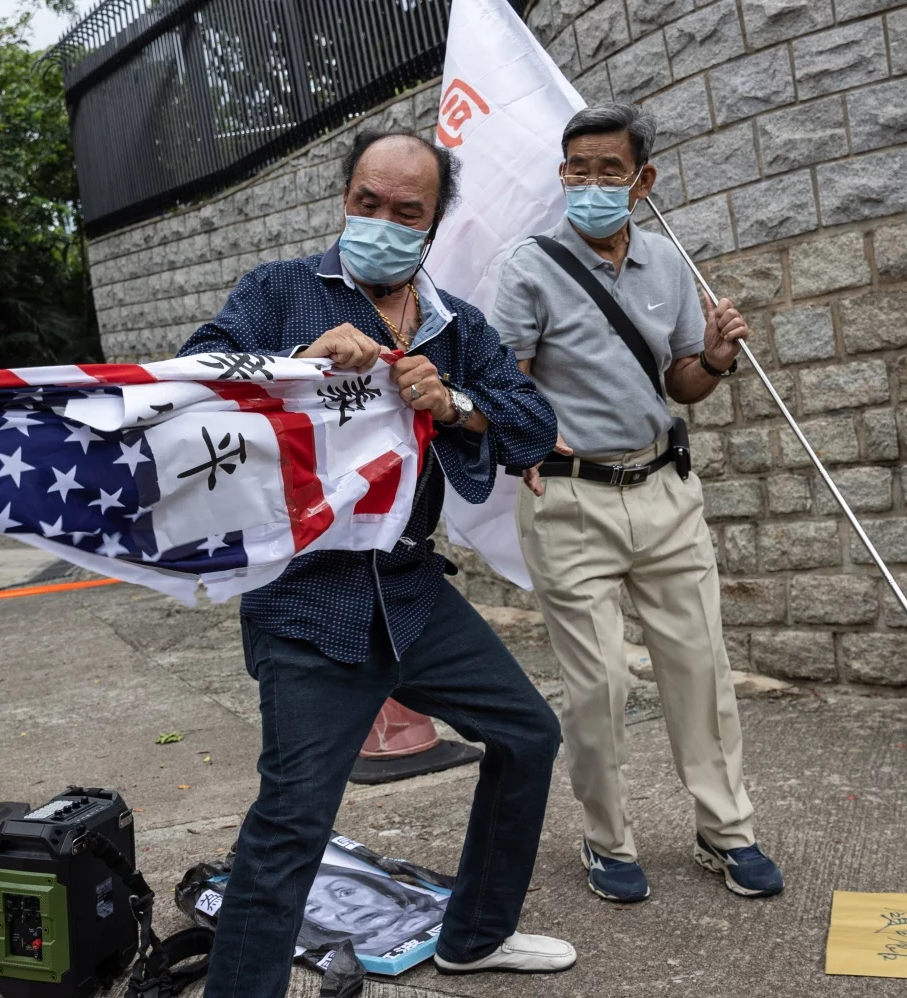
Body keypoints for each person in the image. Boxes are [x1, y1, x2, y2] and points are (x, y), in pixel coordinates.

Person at [178, 130, 576, 997]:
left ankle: (473, 936)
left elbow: (531, 427)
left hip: (409, 590)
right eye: (368, 203)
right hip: (305, 598)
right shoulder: (279, 292)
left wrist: (456, 402)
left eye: (407, 212)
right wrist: (300, 360)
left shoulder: (454, 326)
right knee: (292, 819)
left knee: (528, 732)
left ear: (433, 225)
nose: (383, 223)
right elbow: (192, 376)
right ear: (345, 197)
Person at [493, 102, 784, 904]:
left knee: (700, 668)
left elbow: (680, 379)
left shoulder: (665, 263)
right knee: (599, 688)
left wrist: (717, 361)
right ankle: (607, 840)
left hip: (664, 490)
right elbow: (505, 377)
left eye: (607, 171)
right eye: (575, 169)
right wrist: (524, 436)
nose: (588, 184)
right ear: (562, 174)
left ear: (641, 179)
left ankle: (725, 832)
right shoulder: (528, 267)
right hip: (570, 500)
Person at [300, 867, 446, 957]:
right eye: (314, 909)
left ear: (385, 891)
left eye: (345, 892)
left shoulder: (457, 911)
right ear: (318, 925)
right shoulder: (358, 957)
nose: (343, 908)